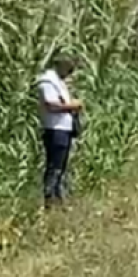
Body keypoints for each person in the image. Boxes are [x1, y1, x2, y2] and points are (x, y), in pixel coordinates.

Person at [36, 55, 83, 207]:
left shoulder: (59, 82)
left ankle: (58, 199)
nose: (69, 73)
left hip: (63, 129)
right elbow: (51, 105)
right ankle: (49, 200)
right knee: (54, 167)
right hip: (55, 130)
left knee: (61, 167)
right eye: (68, 69)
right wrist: (72, 106)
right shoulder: (48, 82)